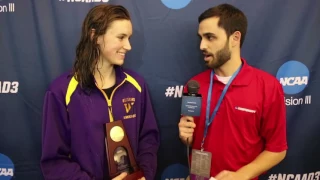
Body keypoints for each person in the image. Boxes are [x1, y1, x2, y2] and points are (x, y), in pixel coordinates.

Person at [40, 4, 159, 180]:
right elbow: (54, 161)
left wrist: (144, 175)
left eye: (129, 38)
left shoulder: (136, 85)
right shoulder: (61, 91)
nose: (128, 46)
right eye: (121, 37)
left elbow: (148, 138)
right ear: (95, 36)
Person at [178, 3, 287, 180]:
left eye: (210, 37)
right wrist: (186, 137)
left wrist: (241, 175)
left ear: (235, 38)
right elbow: (191, 138)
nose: (202, 46)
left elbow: (277, 149)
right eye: (201, 38)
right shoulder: (194, 85)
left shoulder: (268, 86)